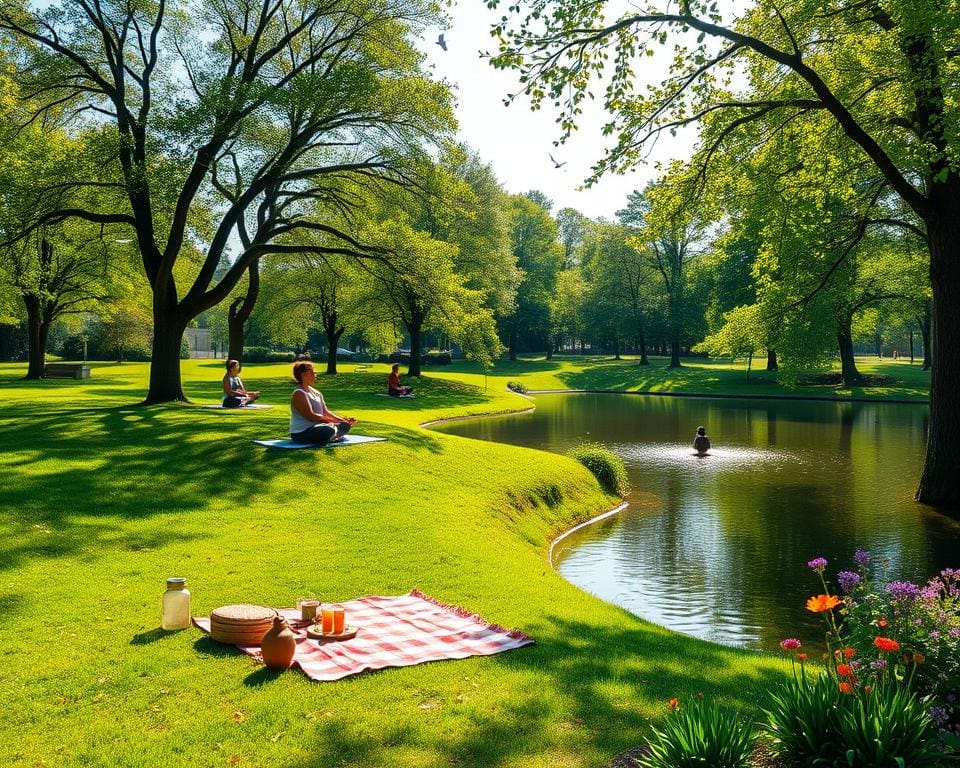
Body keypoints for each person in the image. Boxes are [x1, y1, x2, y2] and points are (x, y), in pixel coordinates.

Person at [290, 360, 357, 444]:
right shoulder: (299, 393)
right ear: (304, 375)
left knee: (343, 426)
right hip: (302, 433)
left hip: (318, 427)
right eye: (313, 373)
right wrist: (333, 422)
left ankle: (333, 435)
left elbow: (325, 412)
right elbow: (311, 416)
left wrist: (343, 420)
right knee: (328, 429)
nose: (316, 375)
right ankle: (333, 435)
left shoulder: (316, 393)